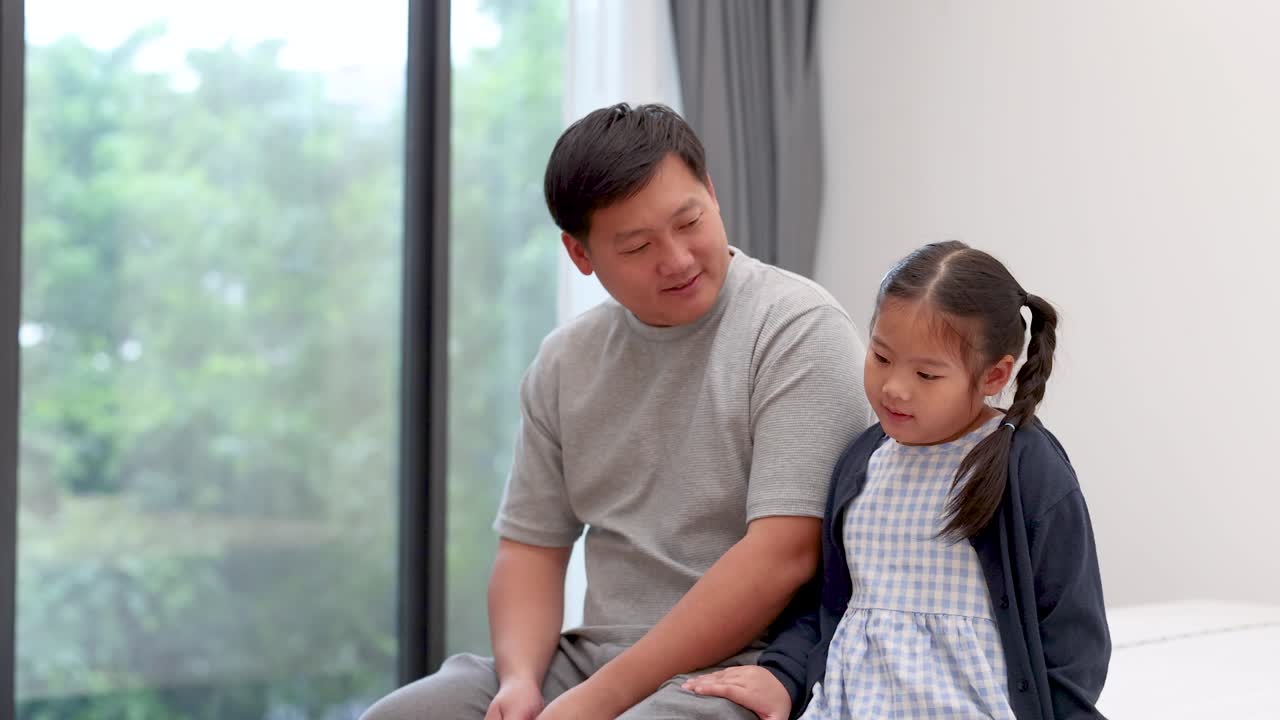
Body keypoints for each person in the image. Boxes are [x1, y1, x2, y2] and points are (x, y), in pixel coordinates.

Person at [361, 102, 873, 720]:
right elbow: (530, 548)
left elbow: (782, 555)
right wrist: (522, 680)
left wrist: (598, 701)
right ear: (581, 255)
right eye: (637, 246)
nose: (678, 259)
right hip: (589, 659)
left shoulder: (797, 329)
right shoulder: (565, 361)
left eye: (690, 221)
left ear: (711, 192)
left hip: (741, 667)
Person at [684, 241, 1110, 719]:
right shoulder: (861, 460)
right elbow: (826, 607)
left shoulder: (1025, 464)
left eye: (927, 374)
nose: (894, 388)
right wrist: (782, 675)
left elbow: (1072, 628)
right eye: (882, 357)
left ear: (994, 375)